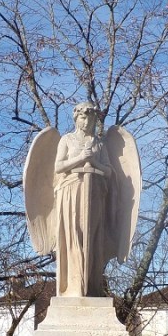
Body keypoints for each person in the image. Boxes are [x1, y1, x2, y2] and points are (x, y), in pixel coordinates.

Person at [53, 102, 113, 296]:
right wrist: (80, 158)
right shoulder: (67, 140)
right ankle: (74, 286)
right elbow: (59, 167)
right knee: (74, 235)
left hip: (94, 193)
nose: (87, 122)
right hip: (71, 192)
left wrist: (94, 161)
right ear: (76, 119)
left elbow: (109, 171)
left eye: (91, 119)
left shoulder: (99, 144)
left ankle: (91, 286)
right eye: (83, 118)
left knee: (92, 237)